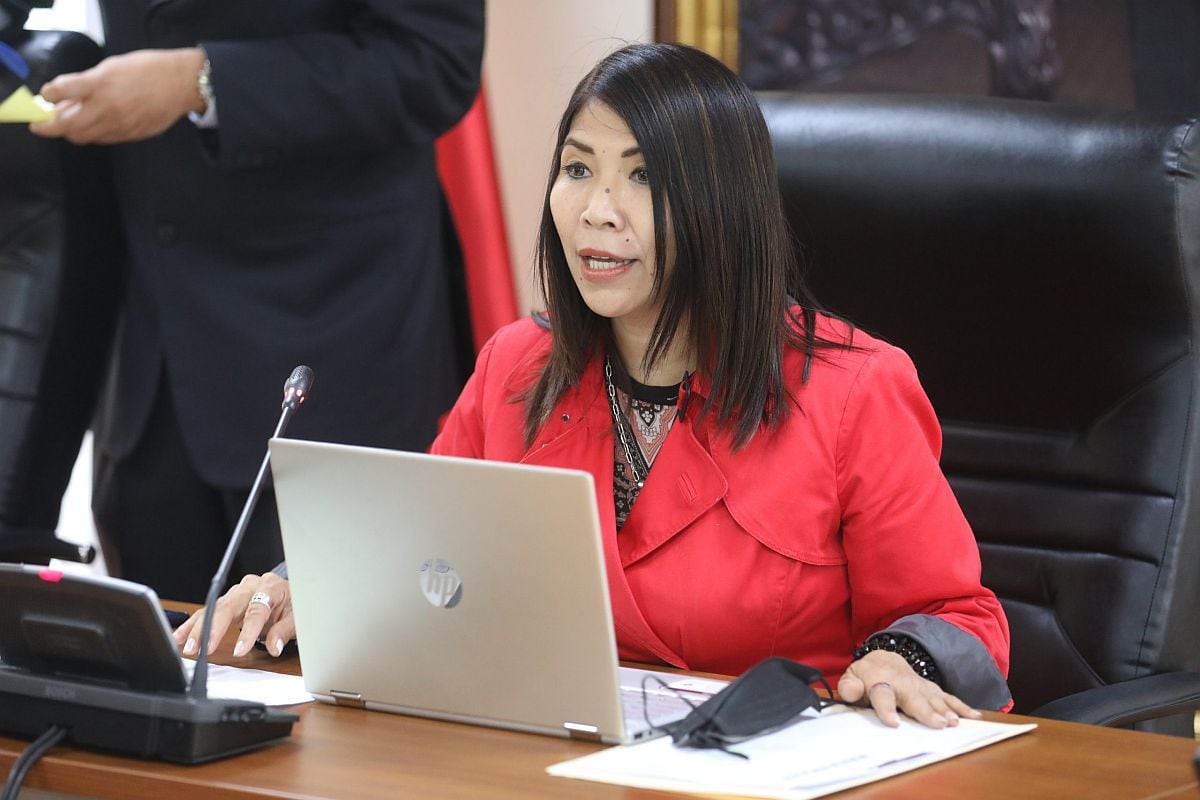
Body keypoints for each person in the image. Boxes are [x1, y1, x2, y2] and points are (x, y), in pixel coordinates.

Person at [179, 42, 1011, 729]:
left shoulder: (853, 392)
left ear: (721, 205)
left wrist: (901, 659)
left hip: (774, 768)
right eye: (578, 170)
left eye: (643, 178)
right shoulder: (518, 366)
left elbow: (962, 617)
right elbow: (414, 562)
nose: (596, 211)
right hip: (554, 761)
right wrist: (301, 588)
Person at [28, 2, 485, 602]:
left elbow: (434, 60)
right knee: (153, 670)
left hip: (330, 340)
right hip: (148, 364)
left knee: (326, 674)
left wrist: (199, 81)